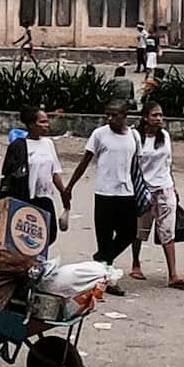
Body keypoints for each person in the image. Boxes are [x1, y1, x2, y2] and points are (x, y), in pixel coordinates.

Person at [64, 102, 138, 296]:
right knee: (104, 237)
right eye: (108, 115)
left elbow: (135, 165)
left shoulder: (133, 136)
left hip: (126, 192)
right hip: (105, 193)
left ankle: (101, 260)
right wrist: (70, 186)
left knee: (129, 232)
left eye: (114, 115)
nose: (110, 119)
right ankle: (106, 276)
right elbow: (85, 162)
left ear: (124, 116)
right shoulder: (100, 134)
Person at [130, 101, 184, 289]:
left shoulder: (164, 136)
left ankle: (173, 274)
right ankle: (136, 263)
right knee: (140, 229)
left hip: (164, 187)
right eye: (154, 115)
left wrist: (173, 185)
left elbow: (167, 163)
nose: (158, 119)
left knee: (167, 230)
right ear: (145, 117)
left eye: (160, 115)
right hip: (143, 188)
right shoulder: (135, 137)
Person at [0, 107, 69, 245]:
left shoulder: (48, 144)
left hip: (45, 196)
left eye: (47, 121)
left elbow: (55, 171)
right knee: (25, 237)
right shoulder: (19, 146)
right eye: (42, 122)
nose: (47, 125)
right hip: (26, 197)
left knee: (49, 234)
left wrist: (63, 192)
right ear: (31, 124)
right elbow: (8, 175)